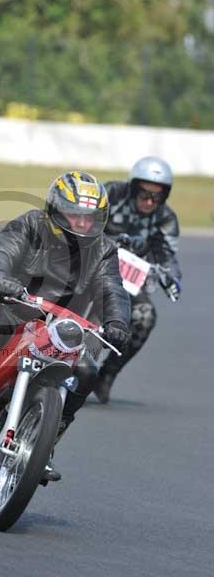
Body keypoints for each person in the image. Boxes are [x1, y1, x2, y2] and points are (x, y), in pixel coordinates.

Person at [0, 171, 131, 480]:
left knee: (88, 371)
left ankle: (45, 443)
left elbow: (112, 288)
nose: (83, 225)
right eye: (75, 216)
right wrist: (1, 280)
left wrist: (117, 321)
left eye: (91, 218)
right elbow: (0, 250)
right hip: (15, 306)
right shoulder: (31, 224)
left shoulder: (104, 249)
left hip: (66, 326)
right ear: (56, 211)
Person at [93, 156, 182, 404]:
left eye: (157, 196)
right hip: (89, 268)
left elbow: (168, 257)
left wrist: (172, 278)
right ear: (132, 187)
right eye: (144, 193)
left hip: (127, 281)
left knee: (145, 315)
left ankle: (107, 374)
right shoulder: (110, 194)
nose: (149, 201)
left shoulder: (165, 218)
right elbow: (82, 223)